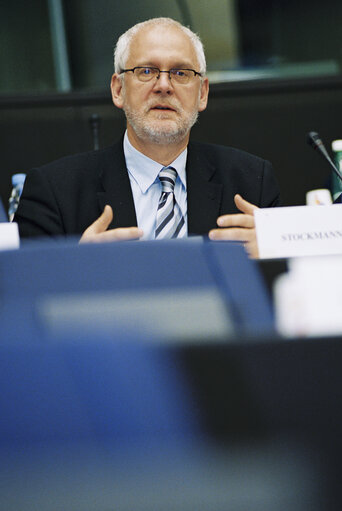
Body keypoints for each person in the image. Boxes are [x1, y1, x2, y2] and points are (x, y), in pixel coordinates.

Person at [15, 17, 280, 257]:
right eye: (146, 71)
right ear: (118, 89)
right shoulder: (55, 192)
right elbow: (18, 296)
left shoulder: (251, 183)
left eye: (180, 73)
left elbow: (290, 288)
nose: (164, 86)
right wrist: (76, 269)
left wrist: (274, 252)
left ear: (202, 93)